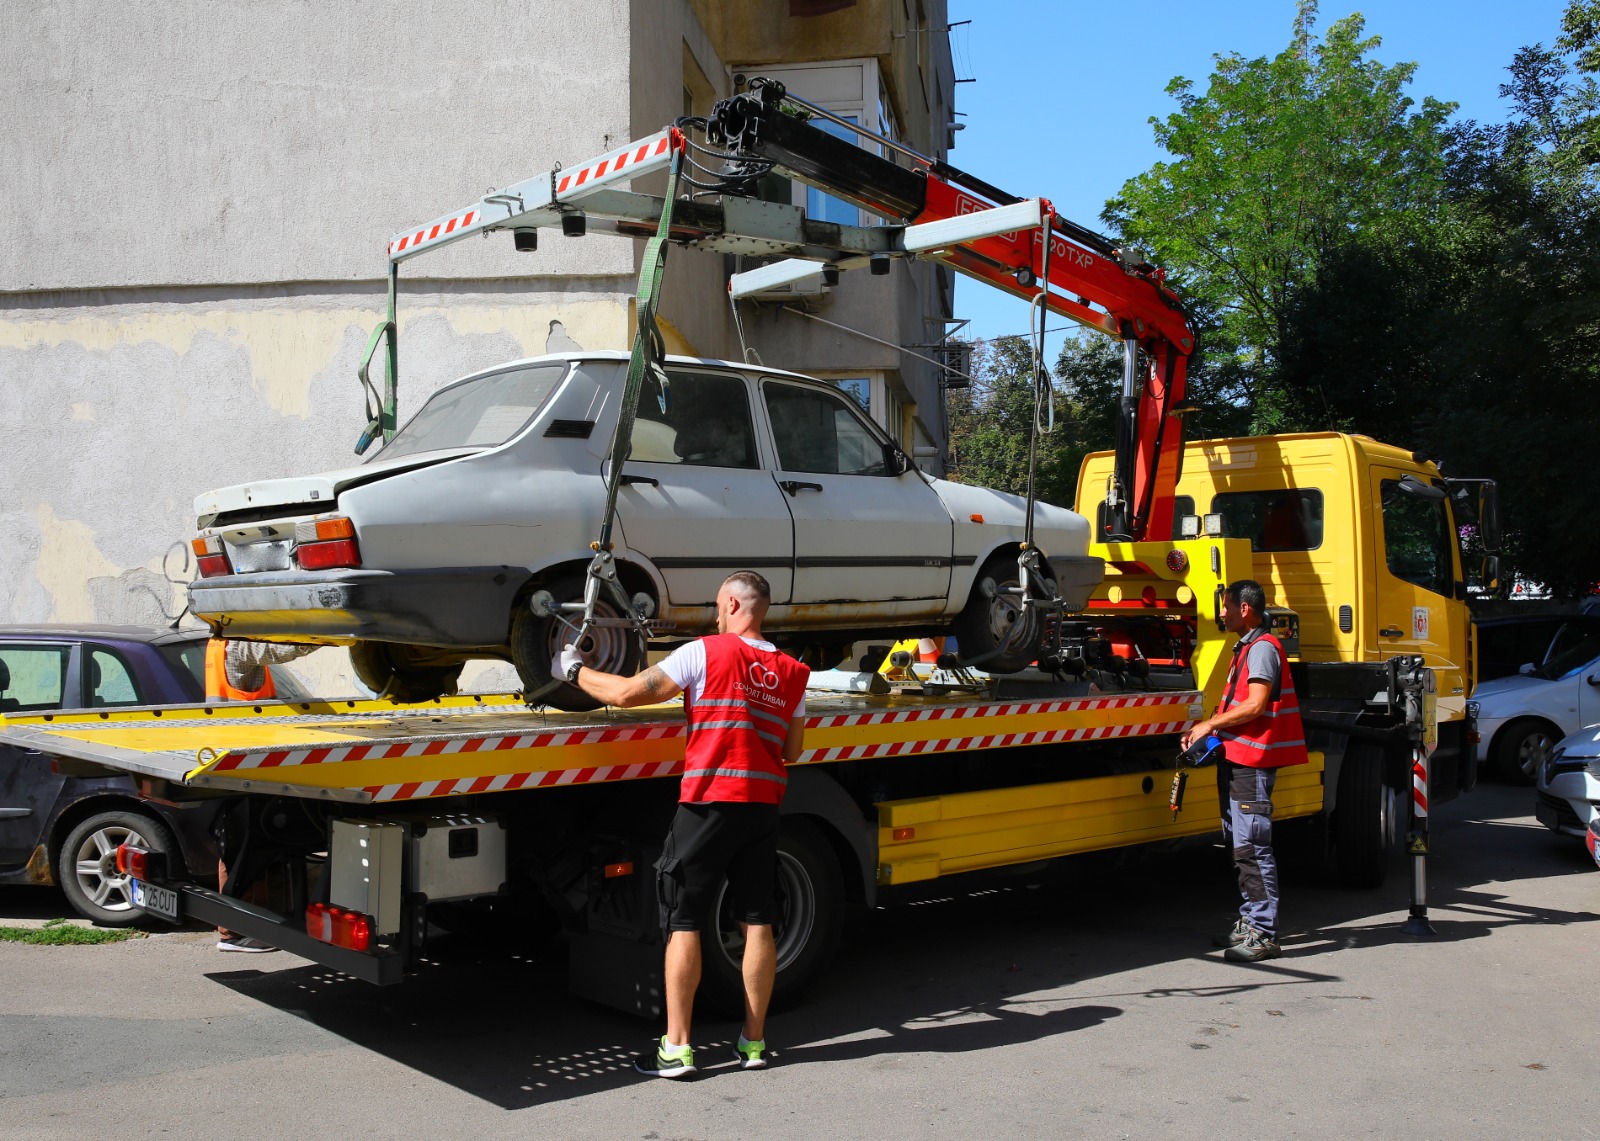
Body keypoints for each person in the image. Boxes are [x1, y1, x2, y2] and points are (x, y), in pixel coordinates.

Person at [555, 571, 809, 1078]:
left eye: (717, 605)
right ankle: (754, 1044)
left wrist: (574, 671)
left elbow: (629, 693)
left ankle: (677, 1049)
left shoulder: (705, 653)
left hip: (709, 804)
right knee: (758, 919)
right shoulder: (792, 671)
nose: (715, 615)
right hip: (762, 806)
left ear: (733, 604)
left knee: (684, 920)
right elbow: (793, 750)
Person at [1181, 579, 1308, 963]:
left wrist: (1209, 724)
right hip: (1240, 762)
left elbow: (1255, 705)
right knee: (1242, 847)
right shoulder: (1249, 647)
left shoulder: (1262, 649)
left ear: (1245, 609)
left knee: (1251, 848)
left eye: (1227, 606)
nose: (1222, 613)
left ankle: (1263, 934)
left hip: (1252, 764)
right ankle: (1251, 922)